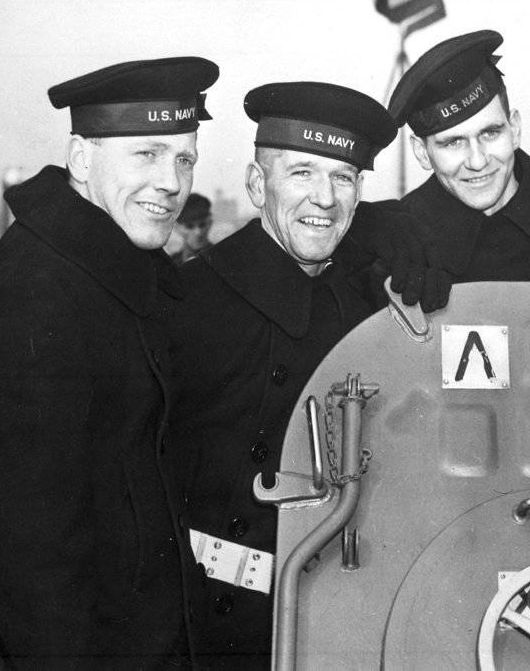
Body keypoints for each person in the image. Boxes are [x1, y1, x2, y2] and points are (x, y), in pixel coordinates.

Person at [0, 56, 218, 665]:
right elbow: (31, 565)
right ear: (80, 160)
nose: (171, 182)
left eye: (184, 159)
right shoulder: (35, 298)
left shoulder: (107, 271)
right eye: (145, 155)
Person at [169, 82, 403, 665]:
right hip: (208, 626)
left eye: (343, 178)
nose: (324, 198)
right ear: (256, 185)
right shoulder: (182, 302)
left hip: (342, 617)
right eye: (301, 173)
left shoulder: (377, 310)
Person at [387, 29, 530, 281]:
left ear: (514, 129)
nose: (478, 161)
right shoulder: (394, 245)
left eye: (490, 133)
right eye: (453, 143)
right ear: (422, 153)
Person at [172, 191, 213, 264]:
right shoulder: (170, 264)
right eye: (189, 226)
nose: (198, 232)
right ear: (176, 227)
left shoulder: (223, 257)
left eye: (202, 224)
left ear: (210, 223)